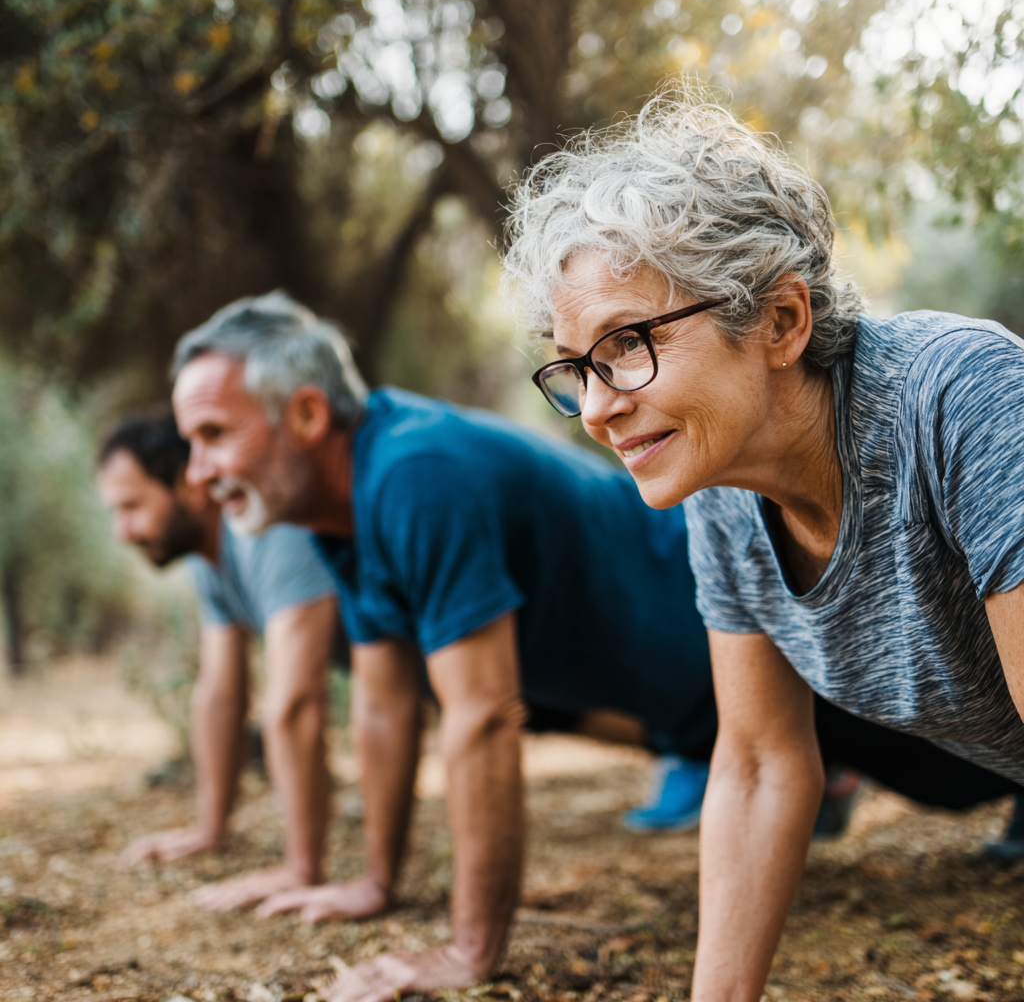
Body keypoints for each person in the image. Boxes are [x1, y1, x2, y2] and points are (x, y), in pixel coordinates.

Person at [169, 292, 1022, 1002]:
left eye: (212, 435)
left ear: (307, 413)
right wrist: (371, 882)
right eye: (574, 369)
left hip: (709, 638)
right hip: (665, 695)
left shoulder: (414, 474)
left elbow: (482, 717)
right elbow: (387, 703)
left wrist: (471, 949)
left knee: (960, 767)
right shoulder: (340, 519)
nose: (196, 473)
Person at [503, 89, 1024, 1002]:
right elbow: (756, 765)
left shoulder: (961, 399)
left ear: (782, 322)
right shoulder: (721, 487)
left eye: (627, 344)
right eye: (577, 366)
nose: (595, 409)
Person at [97, 412, 343, 910]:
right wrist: (210, 830)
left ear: (188, 485)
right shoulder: (211, 558)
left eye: (131, 506)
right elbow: (220, 694)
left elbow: (298, 704)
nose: (121, 531)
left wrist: (300, 870)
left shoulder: (269, 531)